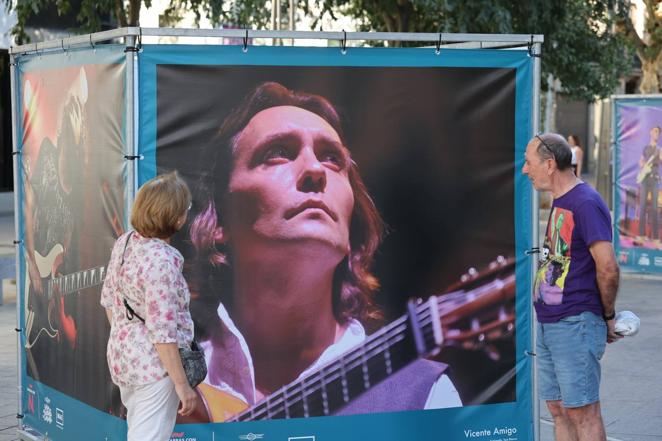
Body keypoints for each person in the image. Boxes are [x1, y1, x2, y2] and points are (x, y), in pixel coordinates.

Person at [182, 81, 462, 422]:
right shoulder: (173, 382)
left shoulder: (427, 397)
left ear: (351, 224)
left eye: (332, 159)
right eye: (279, 152)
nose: (315, 170)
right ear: (221, 217)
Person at [523, 133, 621, 441]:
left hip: (576, 323)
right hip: (552, 322)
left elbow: (608, 267)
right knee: (558, 408)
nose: (526, 170)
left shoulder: (586, 202)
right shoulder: (562, 200)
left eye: (529, 163)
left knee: (582, 411)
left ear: (550, 164)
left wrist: (607, 316)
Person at [100, 172, 199, 440]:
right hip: (154, 370)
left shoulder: (125, 243)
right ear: (177, 218)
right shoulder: (162, 263)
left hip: (124, 360)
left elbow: (109, 301)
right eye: (186, 209)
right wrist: (182, 386)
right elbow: (162, 333)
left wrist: (130, 340)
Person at [23, 69, 88, 392]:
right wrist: (33, 264)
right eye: (72, 110)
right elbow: (28, 205)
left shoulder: (81, 183)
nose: (75, 118)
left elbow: (70, 247)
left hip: (55, 289)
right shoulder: (47, 152)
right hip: (37, 269)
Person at [637, 126, 661, 242]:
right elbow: (641, 160)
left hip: (654, 179)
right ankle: (641, 235)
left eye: (658, 132)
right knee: (642, 206)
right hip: (645, 179)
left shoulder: (659, 149)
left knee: (654, 208)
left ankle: (655, 237)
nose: (656, 133)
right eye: (655, 131)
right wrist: (642, 165)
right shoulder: (645, 148)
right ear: (651, 132)